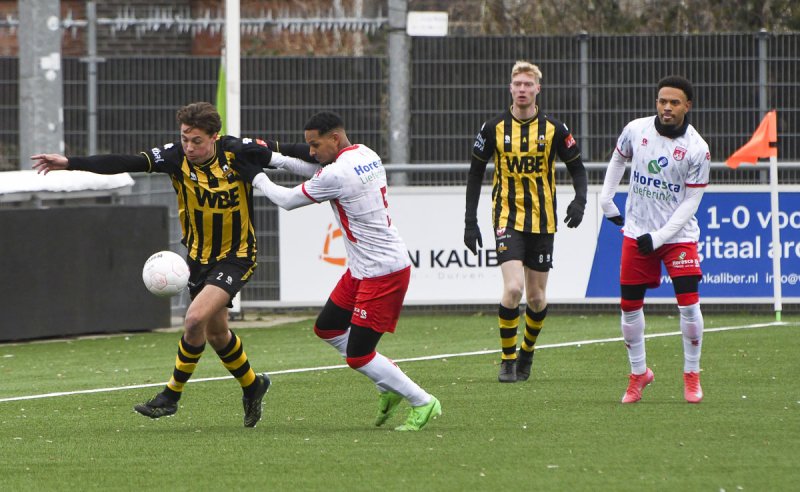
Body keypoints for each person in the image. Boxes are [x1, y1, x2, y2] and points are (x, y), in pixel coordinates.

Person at [31, 101, 275, 426]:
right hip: (198, 259)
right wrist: (70, 162)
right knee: (217, 334)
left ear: (214, 137)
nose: (189, 147)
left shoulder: (237, 154)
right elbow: (125, 161)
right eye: (185, 138)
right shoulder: (175, 157)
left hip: (237, 255)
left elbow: (287, 152)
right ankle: (253, 385)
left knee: (194, 320)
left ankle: (170, 396)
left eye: (197, 141)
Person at [234, 111, 442, 431]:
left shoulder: (338, 173)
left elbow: (287, 200)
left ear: (334, 138)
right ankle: (387, 382)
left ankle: (423, 401)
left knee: (359, 356)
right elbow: (318, 171)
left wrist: (255, 175)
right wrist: (273, 158)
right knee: (328, 328)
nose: (311, 151)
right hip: (363, 269)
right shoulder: (364, 153)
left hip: (382, 272)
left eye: (315, 145)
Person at [464, 60, 588, 383]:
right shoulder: (492, 128)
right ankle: (507, 360)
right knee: (513, 288)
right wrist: (469, 222)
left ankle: (527, 352)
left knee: (536, 298)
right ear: (510, 88)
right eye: (517, 84)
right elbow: (475, 174)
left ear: (537, 89)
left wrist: (580, 200)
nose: (522, 89)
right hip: (507, 217)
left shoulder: (555, 129)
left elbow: (578, 168)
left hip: (543, 221)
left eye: (527, 84)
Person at [599, 75, 710, 404]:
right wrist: (606, 199)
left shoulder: (697, 149)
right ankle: (639, 374)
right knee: (629, 306)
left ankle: (691, 374)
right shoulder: (636, 130)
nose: (667, 107)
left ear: (687, 106)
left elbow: (691, 202)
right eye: (662, 101)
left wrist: (661, 236)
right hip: (637, 232)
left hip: (678, 236)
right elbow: (618, 158)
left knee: (688, 303)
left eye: (674, 102)